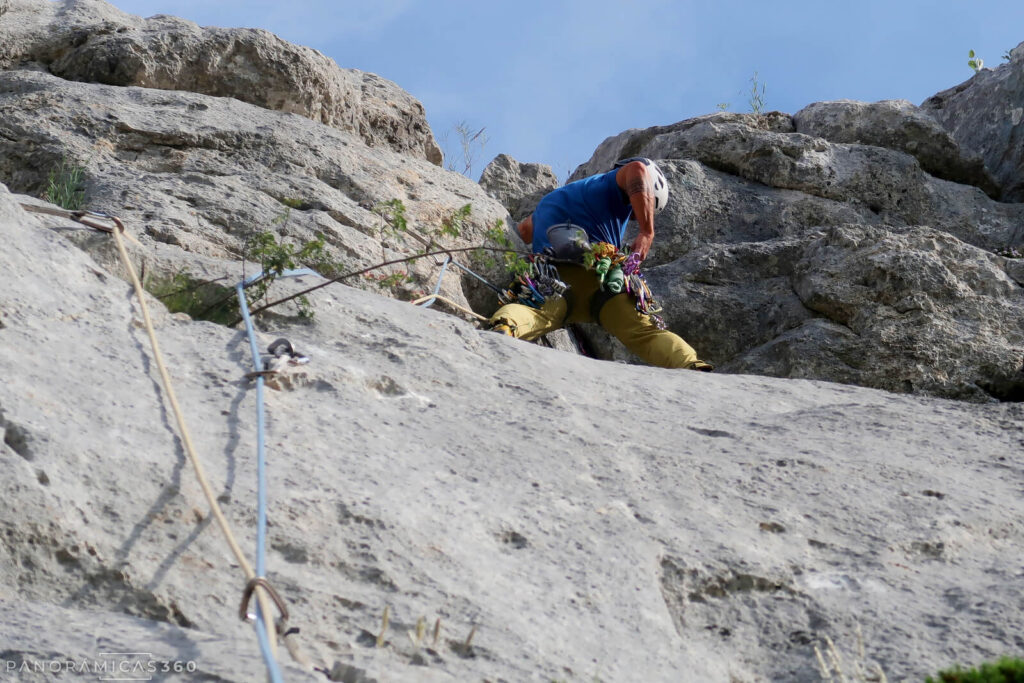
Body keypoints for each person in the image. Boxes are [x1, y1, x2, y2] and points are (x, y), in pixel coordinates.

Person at [488, 157, 712, 371]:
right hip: (603, 277)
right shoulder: (612, 181)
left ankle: (505, 326)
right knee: (644, 333)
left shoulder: (545, 207)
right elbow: (638, 169)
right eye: (641, 208)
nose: (633, 215)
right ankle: (691, 365)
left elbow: (522, 233)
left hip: (553, 277)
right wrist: (647, 231)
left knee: (536, 313)